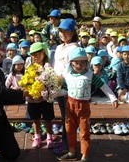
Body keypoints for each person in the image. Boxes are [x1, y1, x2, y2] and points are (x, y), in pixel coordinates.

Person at [57, 47, 118, 161]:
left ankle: (84, 155)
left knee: (84, 131)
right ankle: (72, 152)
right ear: (71, 63)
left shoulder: (90, 75)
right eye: (76, 63)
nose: (79, 65)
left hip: (83, 107)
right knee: (69, 129)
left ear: (87, 62)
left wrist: (113, 98)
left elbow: (103, 86)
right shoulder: (68, 76)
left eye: (82, 62)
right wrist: (51, 94)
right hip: (70, 106)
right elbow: (65, 91)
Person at [53, 18, 79, 155]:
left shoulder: (75, 49)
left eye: (66, 31)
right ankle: (67, 144)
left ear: (73, 32)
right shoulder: (58, 47)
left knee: (68, 118)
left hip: (68, 88)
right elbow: (56, 67)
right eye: (60, 31)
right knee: (64, 117)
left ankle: (68, 146)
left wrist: (59, 81)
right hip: (58, 87)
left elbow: (71, 70)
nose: (62, 34)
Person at [26, 42, 55, 149]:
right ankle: (37, 136)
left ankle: (49, 136)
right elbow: (26, 80)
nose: (36, 57)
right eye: (33, 54)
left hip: (46, 97)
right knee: (36, 118)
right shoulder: (30, 66)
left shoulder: (48, 66)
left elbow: (52, 80)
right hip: (33, 98)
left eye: (38, 53)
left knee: (48, 118)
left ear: (44, 53)